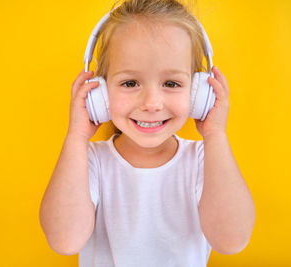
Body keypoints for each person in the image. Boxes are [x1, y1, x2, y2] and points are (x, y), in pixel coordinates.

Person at [39, 0, 256, 266]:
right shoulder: (89, 161)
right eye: (130, 83)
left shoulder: (204, 160)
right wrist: (76, 137)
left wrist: (216, 135)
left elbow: (231, 241)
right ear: (101, 92)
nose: (152, 103)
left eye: (171, 83)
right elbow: (64, 241)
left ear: (200, 93)